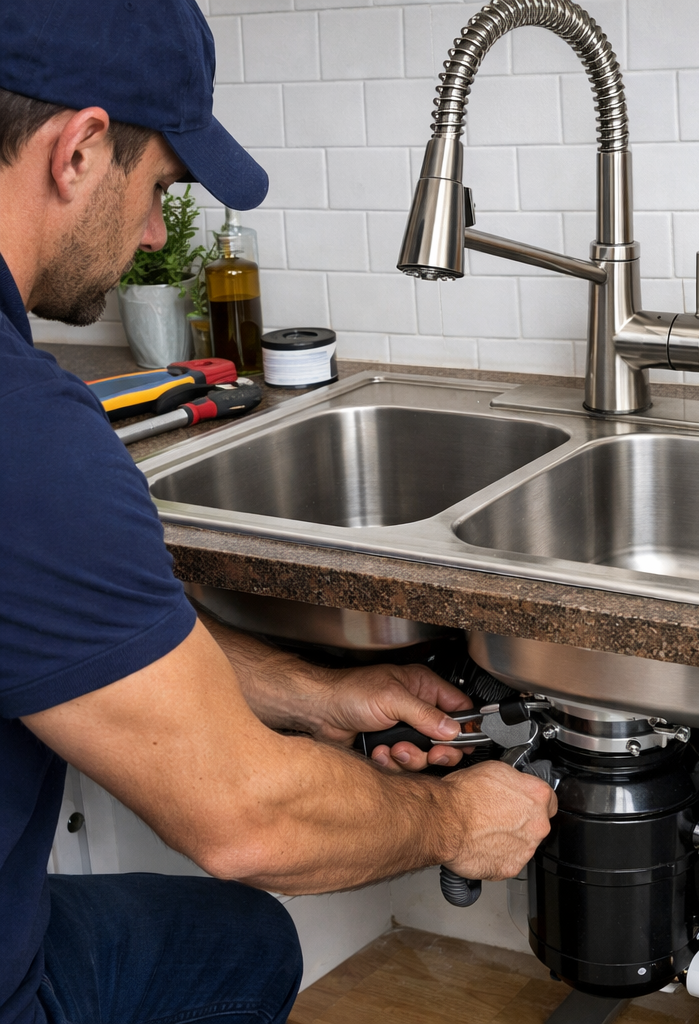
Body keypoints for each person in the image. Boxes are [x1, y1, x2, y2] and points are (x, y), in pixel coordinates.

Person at [0, 3, 557, 1023]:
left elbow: (74, 640)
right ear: (78, 150)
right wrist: (450, 820)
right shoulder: (25, 437)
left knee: (230, 944)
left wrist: (310, 692)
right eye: (161, 188)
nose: (149, 232)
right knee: (242, 939)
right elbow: (246, 822)